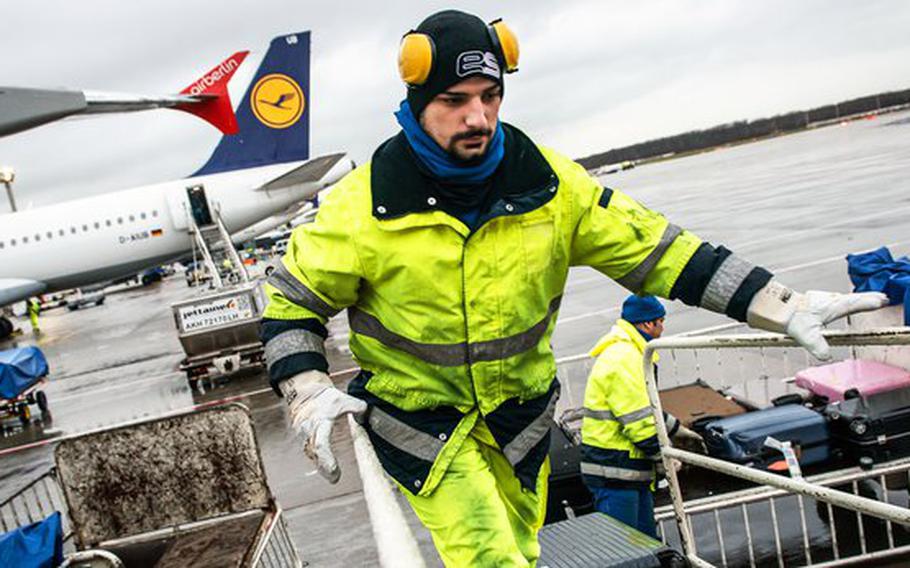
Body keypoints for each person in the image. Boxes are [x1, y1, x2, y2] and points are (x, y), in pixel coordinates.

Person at [259, 9, 887, 567]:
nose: (477, 116)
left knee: (524, 550)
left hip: (521, 423)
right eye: (455, 99)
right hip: (424, 427)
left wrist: (778, 303)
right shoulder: (362, 207)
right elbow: (291, 302)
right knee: (486, 554)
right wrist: (307, 388)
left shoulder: (552, 187)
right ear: (418, 101)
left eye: (489, 96)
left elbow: (662, 253)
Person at [580, 295, 698, 538]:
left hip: (625, 468)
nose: (663, 328)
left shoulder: (631, 352)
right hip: (614, 470)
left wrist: (676, 429)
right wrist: (663, 457)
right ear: (646, 325)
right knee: (624, 548)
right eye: (660, 321)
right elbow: (638, 422)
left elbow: (645, 408)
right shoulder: (625, 358)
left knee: (645, 543)